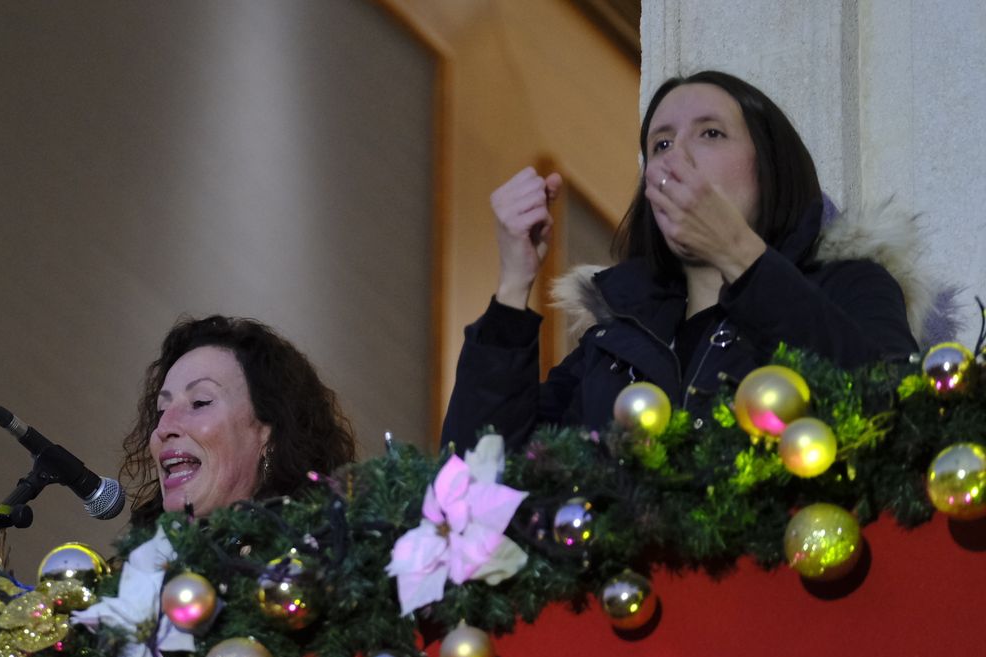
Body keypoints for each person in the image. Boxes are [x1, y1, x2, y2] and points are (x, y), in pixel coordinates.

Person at [440, 70, 921, 452]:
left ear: (771, 166)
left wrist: (737, 252)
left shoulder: (848, 287)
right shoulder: (614, 341)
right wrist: (512, 285)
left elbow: (897, 416)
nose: (677, 159)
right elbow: (477, 488)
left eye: (710, 134)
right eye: (661, 145)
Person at [120, 315, 356, 524]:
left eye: (200, 402)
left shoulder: (320, 565)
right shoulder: (136, 566)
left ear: (269, 434)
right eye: (161, 411)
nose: (164, 427)